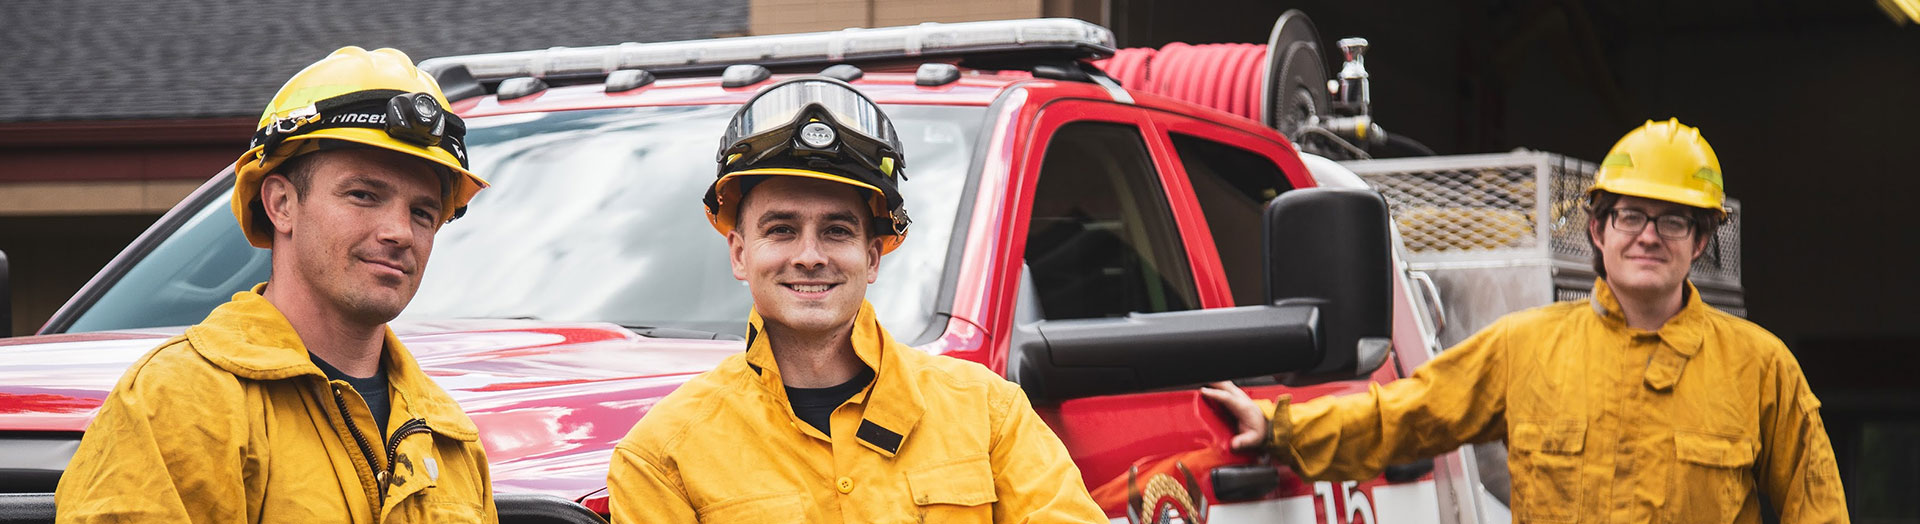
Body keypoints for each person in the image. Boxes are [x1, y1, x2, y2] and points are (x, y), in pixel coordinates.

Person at [1203, 119, 1847, 523]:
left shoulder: (1761, 368)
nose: (1649, 236)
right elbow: (1405, 415)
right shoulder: (1526, 347)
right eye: (1630, 217)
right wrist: (1282, 426)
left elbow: (1817, 510)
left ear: (1700, 242)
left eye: (1674, 220)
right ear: (1598, 228)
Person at [606, 77, 1107, 523]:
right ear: (740, 254)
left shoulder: (989, 413)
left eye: (836, 230)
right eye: (781, 230)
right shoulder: (661, 456)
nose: (809, 256)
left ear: (872, 257)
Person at [54, 47, 495, 522]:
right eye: (364, 195)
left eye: (423, 213)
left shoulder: (449, 437)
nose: (400, 232)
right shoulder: (181, 402)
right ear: (281, 204)